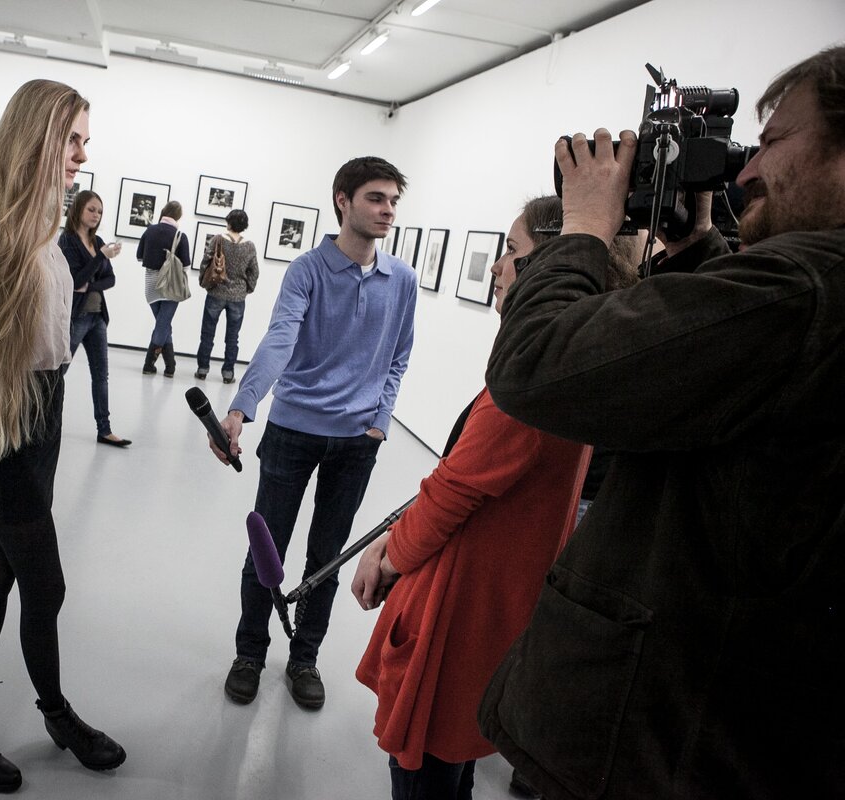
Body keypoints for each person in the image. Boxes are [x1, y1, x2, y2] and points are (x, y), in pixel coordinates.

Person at [478, 46, 845, 798]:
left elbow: (534, 363)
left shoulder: (806, 287)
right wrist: (694, 246)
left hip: (664, 740)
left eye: (774, 142)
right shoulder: (806, 298)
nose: (746, 170)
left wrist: (583, 228)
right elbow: (727, 369)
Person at [349, 196, 602, 800]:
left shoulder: (532, 382)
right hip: (489, 607)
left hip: (463, 613)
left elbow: (453, 492)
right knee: (452, 759)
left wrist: (389, 556)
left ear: (548, 265)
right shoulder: (572, 361)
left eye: (512, 251)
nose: (496, 266)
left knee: (430, 765)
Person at [0, 79, 126, 794]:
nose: (82, 154)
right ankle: (57, 714)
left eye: (85, 141)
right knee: (47, 585)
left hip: (45, 412)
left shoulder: (43, 229)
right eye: (72, 139)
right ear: (36, 133)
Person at [214, 156, 418, 711]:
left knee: (327, 557)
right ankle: (250, 654)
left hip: (357, 442)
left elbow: (399, 357)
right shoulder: (306, 270)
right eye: (376, 198)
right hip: (292, 430)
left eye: (393, 200)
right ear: (342, 201)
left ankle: (304, 657)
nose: (387, 210)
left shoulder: (402, 280)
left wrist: (380, 420)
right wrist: (243, 407)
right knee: (267, 551)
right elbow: (280, 338)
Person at [58, 189, 132, 447]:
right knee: (58, 373)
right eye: (91, 209)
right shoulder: (67, 241)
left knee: (101, 376)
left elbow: (110, 279)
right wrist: (100, 258)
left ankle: (105, 429)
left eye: (99, 211)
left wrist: (88, 285)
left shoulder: (97, 241)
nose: (96, 215)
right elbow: (73, 279)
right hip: (77, 317)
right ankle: (40, 422)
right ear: (78, 209)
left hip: (97, 317)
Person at [195, 208, 259, 383]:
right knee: (232, 337)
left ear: (228, 222)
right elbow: (254, 271)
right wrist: (247, 288)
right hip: (238, 297)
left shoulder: (218, 240)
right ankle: (228, 373)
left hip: (216, 292)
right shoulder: (249, 246)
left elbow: (206, 261)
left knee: (207, 333)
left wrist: (203, 281)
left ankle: (202, 369)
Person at [136, 200, 190, 377]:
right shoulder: (180, 236)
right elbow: (185, 266)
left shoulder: (149, 231)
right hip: (171, 286)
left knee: (163, 324)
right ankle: (148, 364)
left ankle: (170, 366)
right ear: (178, 216)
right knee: (163, 325)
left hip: (151, 285)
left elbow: (139, 257)